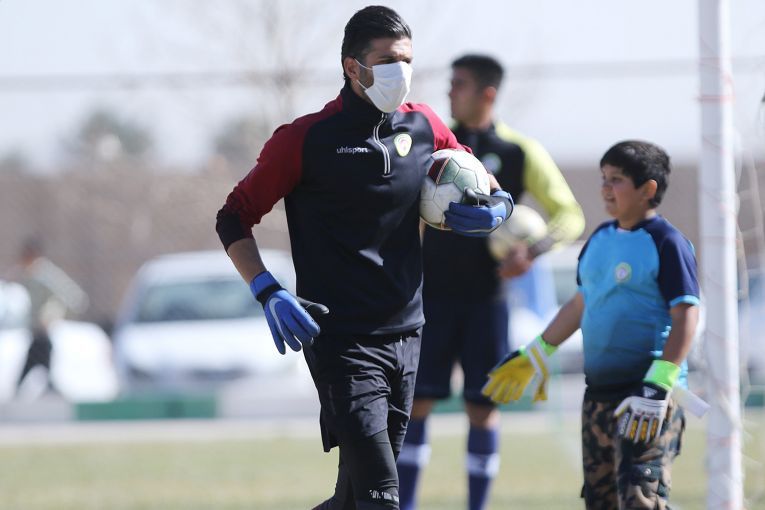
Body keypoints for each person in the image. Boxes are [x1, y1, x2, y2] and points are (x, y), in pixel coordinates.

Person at [214, 7, 513, 509]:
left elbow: (481, 178)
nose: (402, 70)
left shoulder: (425, 125)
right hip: (341, 341)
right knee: (382, 499)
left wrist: (499, 208)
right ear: (353, 67)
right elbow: (233, 217)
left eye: (408, 59)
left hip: (409, 333)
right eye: (389, 60)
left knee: (355, 499)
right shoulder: (304, 139)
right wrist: (267, 289)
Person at [397, 54, 584, 510]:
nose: (449, 91)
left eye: (459, 83)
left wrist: (532, 252)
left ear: (487, 93)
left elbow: (570, 216)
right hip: (430, 297)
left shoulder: (520, 151)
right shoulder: (433, 145)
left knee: (483, 408)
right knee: (416, 404)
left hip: (488, 300)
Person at [482, 140, 700, 509]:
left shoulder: (667, 242)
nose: (605, 188)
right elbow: (580, 303)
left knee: (641, 498)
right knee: (601, 501)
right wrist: (538, 350)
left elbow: (686, 316)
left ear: (647, 189)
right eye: (603, 178)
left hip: (646, 397)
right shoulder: (599, 239)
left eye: (617, 180)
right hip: (598, 396)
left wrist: (659, 383)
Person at [12, 238, 88, 396]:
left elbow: (71, 296)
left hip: (42, 328)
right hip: (37, 330)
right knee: (40, 356)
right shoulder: (29, 273)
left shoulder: (44, 274)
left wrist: (51, 313)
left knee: (37, 355)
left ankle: (38, 386)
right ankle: (48, 385)